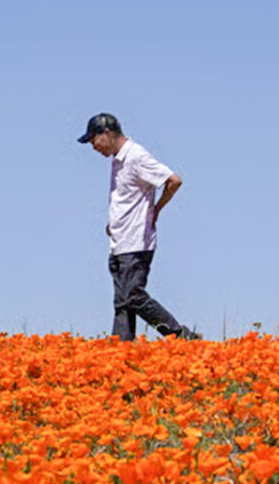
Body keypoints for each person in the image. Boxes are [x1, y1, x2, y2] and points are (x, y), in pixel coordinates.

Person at [77, 113, 201, 341]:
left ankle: (181, 336)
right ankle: (121, 352)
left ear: (107, 133)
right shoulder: (118, 159)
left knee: (132, 295)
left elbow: (173, 180)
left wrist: (156, 210)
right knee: (122, 303)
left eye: (94, 140)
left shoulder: (136, 156)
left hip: (136, 241)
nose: (93, 147)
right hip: (118, 242)